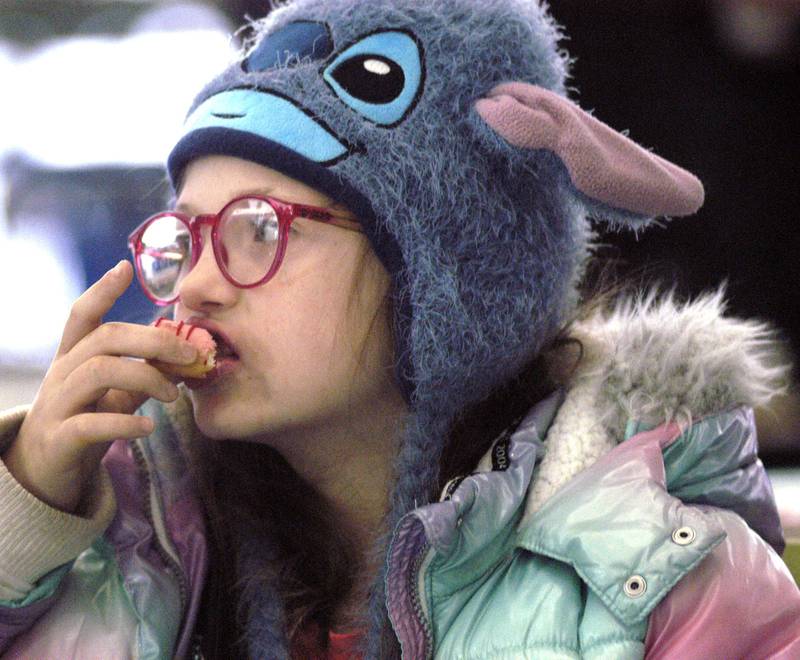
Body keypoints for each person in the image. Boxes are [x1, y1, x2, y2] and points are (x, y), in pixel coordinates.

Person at [1, 0, 799, 657]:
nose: (198, 288)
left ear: (442, 271)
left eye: (259, 230)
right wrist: (24, 515)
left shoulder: (654, 577)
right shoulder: (135, 534)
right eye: (183, 240)